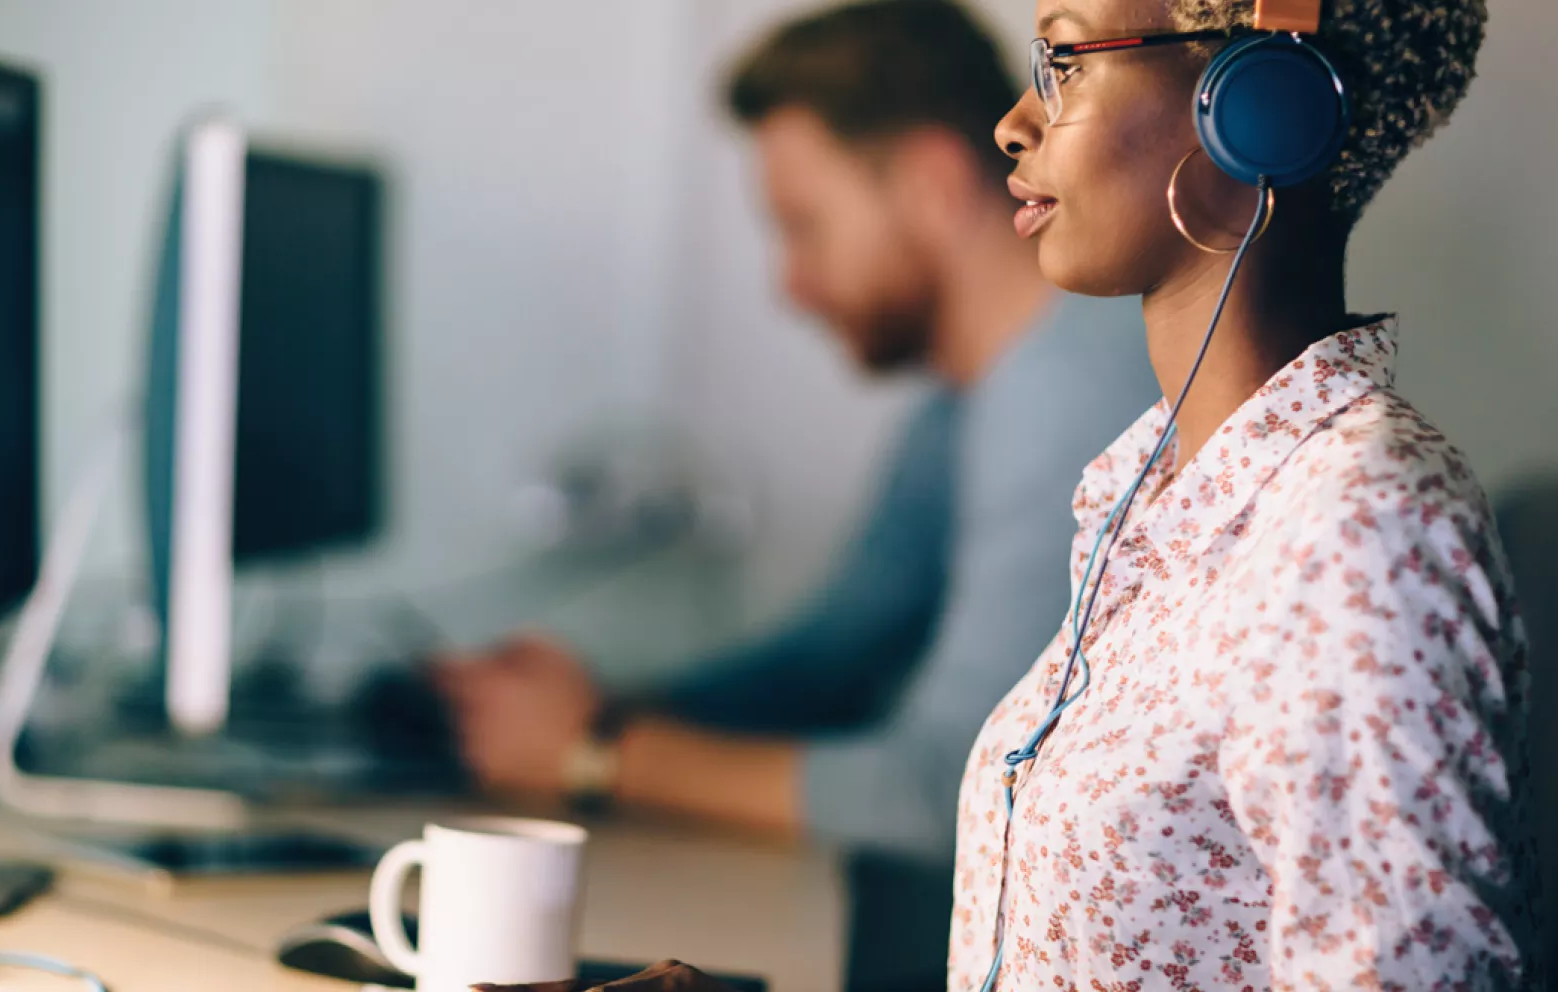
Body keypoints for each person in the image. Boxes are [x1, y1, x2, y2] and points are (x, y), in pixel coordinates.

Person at [435, 0, 1152, 870]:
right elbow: (829, 660)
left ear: (929, 183)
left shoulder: (1064, 395)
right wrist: (581, 710)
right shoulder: (961, 411)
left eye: (805, 227)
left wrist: (598, 755)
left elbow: (955, 790)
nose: (793, 286)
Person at [951, 0, 1539, 988]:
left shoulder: (1357, 521)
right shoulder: (1158, 493)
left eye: (1064, 61)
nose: (1015, 120)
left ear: (1259, 108)